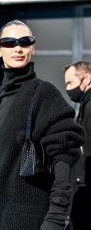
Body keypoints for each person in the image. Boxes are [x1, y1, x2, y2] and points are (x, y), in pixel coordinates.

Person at [0, 20, 84, 230]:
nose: (18, 48)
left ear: (33, 48)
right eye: (9, 42)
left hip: (28, 218)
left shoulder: (45, 94)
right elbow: (4, 152)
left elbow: (64, 159)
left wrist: (56, 218)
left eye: (25, 41)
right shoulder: (1, 94)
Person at [64, 60, 91, 229]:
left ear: (87, 79)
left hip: (86, 186)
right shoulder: (84, 104)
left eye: (70, 83)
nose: (67, 89)